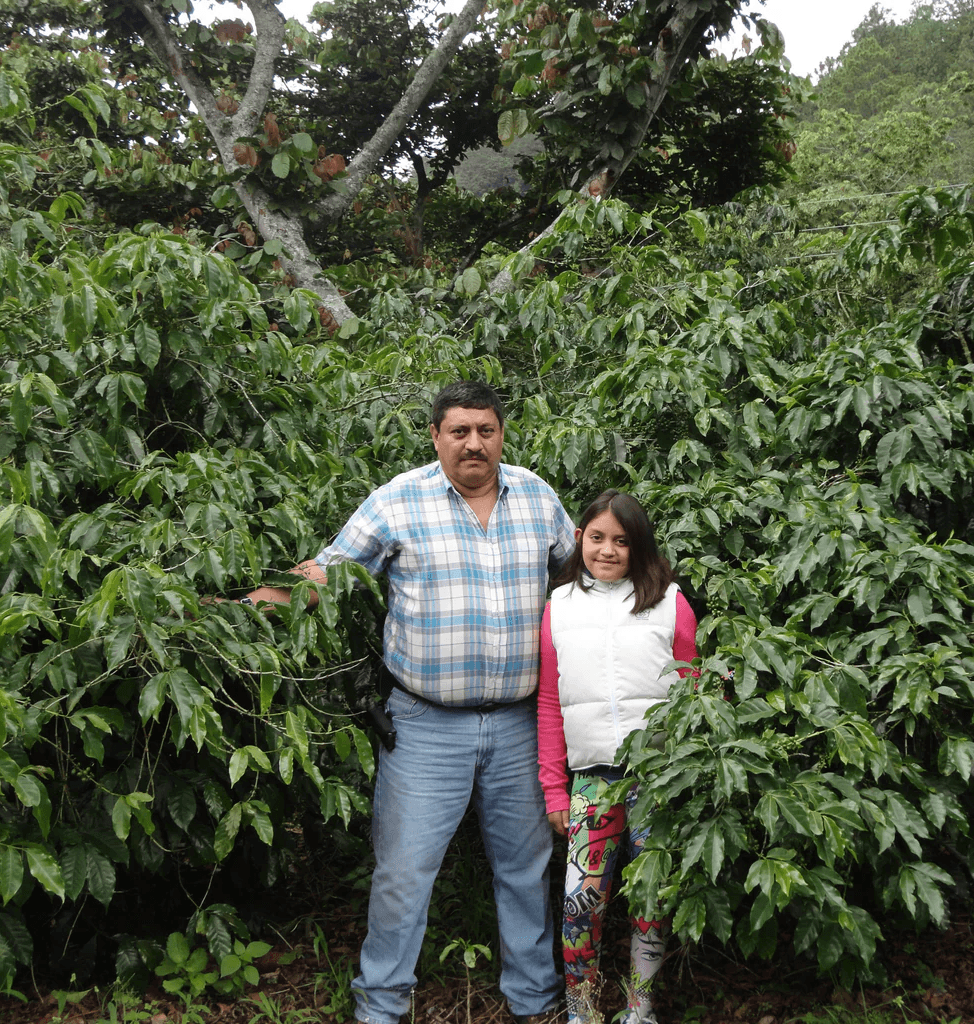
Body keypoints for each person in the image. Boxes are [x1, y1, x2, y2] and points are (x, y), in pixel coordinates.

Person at [244, 381, 576, 1024]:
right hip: (425, 726)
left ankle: (535, 1001)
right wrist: (244, 608)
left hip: (519, 723)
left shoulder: (536, 495)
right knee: (403, 873)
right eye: (459, 431)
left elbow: (577, 573)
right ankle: (382, 1005)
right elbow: (329, 574)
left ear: (502, 434)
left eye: (486, 429)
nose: (474, 443)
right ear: (436, 437)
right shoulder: (399, 499)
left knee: (527, 870)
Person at [536, 489, 699, 1024]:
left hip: (659, 781)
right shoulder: (558, 607)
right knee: (581, 906)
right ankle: (582, 1013)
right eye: (597, 537)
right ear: (580, 537)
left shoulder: (669, 600)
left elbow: (692, 689)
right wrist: (554, 788)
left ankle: (639, 1010)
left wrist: (690, 771)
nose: (607, 550)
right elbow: (549, 702)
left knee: (652, 902)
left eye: (621, 541)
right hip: (591, 784)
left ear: (638, 546)